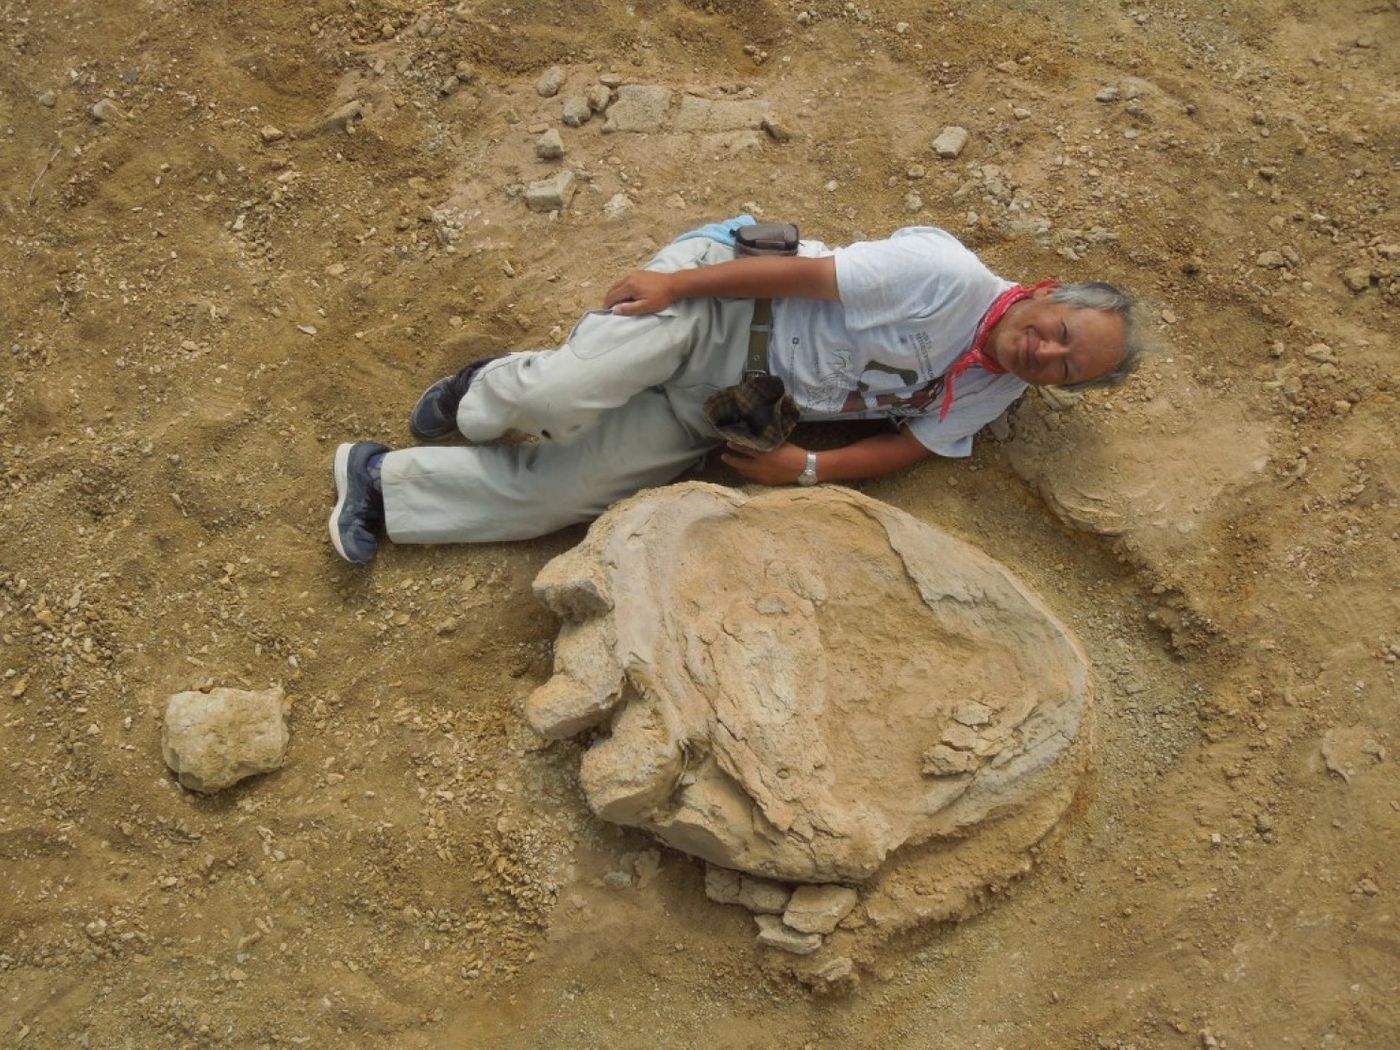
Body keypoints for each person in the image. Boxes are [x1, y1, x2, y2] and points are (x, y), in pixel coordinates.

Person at [328, 222, 1143, 563]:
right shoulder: (946, 276)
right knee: (564, 393)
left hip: (731, 406)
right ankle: (481, 390)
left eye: (1067, 367)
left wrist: (809, 470)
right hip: (721, 307)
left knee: (566, 497)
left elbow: (915, 443)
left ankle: (380, 487)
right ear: (1049, 292)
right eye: (1060, 332)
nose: (1045, 353)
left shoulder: (997, 389)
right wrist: (676, 287)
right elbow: (798, 273)